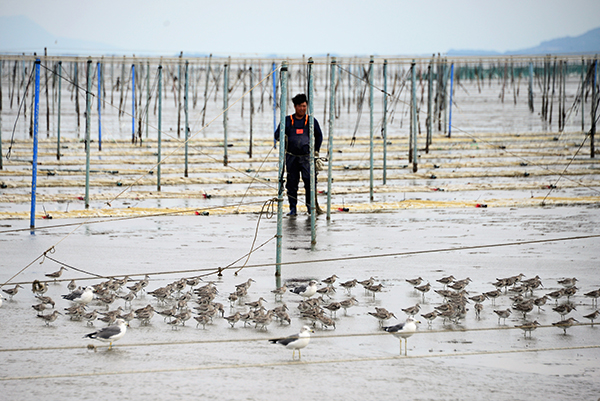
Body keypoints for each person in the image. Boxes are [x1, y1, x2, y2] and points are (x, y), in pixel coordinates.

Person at [274, 93, 323, 216]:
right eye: (300, 106)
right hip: (291, 157)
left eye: (304, 106)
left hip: (307, 158)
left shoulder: (310, 120)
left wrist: (316, 150)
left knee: (309, 182)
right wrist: (283, 137)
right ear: (295, 107)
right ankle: (293, 209)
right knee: (292, 183)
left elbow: (319, 135)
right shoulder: (287, 120)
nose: (302, 109)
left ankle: (310, 208)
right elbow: (277, 135)